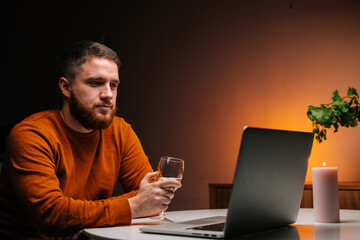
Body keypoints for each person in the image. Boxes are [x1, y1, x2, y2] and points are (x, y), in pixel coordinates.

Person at [0, 41, 181, 239]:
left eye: (113, 85)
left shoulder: (120, 131)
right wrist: (133, 205)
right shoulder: (31, 134)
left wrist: (83, 217)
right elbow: (52, 215)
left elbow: (152, 199)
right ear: (66, 87)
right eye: (96, 83)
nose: (108, 95)